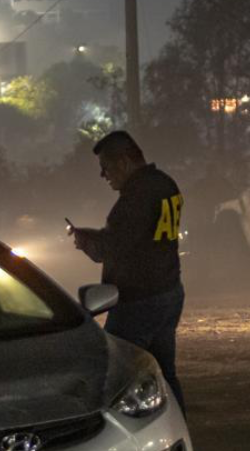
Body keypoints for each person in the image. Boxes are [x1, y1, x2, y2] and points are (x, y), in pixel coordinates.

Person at [71, 131, 186, 412]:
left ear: (123, 162)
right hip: (168, 291)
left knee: (114, 372)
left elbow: (108, 249)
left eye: (106, 167)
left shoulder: (135, 197)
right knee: (165, 373)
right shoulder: (166, 184)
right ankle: (177, 426)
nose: (103, 175)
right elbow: (138, 237)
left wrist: (85, 240)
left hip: (138, 301)